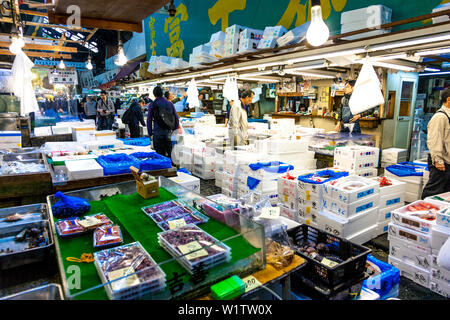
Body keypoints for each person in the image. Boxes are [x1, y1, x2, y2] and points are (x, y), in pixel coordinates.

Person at [421, 87, 450, 199]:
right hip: (442, 162)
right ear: (449, 100)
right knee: (433, 191)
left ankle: (438, 214)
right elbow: (434, 140)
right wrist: (438, 160)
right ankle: (422, 212)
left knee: (445, 193)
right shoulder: (440, 117)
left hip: (448, 161)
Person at [147, 86, 179, 160]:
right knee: (170, 154)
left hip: (157, 133)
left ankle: (163, 170)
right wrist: (175, 130)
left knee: (160, 157)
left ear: (154, 94)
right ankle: (173, 170)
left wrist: (150, 133)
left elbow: (149, 120)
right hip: (168, 133)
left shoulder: (152, 104)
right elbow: (175, 117)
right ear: (162, 93)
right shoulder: (169, 103)